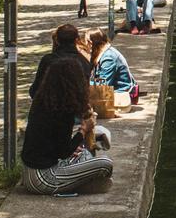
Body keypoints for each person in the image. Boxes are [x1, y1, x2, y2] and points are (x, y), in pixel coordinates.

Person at [20, 56, 113, 195]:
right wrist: (83, 130)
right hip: (44, 177)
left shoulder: (42, 101)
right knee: (106, 164)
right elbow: (63, 152)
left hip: (29, 171)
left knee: (83, 153)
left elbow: (56, 146)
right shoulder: (62, 110)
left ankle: (81, 183)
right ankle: (80, 185)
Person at [30, 24, 92, 97]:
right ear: (76, 40)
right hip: (77, 106)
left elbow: (35, 90)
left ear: (57, 40)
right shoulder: (83, 60)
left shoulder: (48, 60)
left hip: (52, 105)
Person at [87, 29, 138, 104]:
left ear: (91, 43)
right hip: (116, 90)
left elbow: (103, 85)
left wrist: (84, 85)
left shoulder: (108, 58)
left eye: (85, 42)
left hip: (120, 94)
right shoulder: (103, 54)